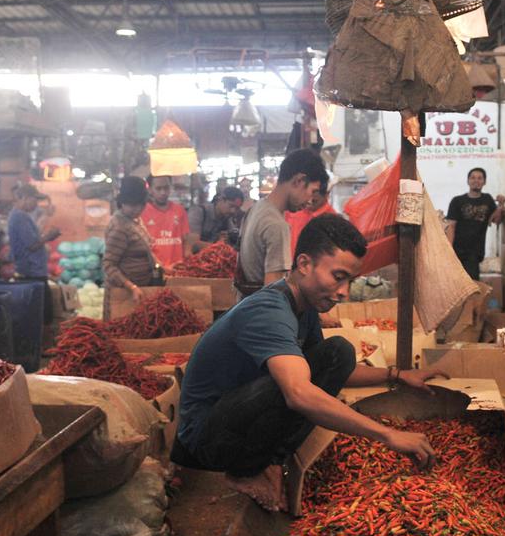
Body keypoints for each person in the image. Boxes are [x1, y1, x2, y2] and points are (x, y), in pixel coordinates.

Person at [173, 214, 446, 510]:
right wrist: (388, 434)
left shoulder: (304, 308)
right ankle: (243, 470)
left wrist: (397, 375)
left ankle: (270, 460)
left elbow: (336, 370)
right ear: (304, 264)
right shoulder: (269, 310)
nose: (344, 292)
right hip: (206, 439)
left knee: (337, 352)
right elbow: (299, 393)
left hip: (235, 417)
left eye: (350, 281)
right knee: (294, 387)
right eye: (338, 277)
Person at [237, 149, 328, 296]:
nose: (310, 201)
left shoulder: (257, 208)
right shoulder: (276, 225)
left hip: (244, 306)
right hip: (259, 314)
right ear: (299, 181)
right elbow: (272, 293)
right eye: (312, 191)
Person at [103, 176, 155, 320]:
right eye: (132, 205)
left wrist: (162, 266)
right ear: (122, 203)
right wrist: (130, 287)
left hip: (139, 290)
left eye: (140, 205)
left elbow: (146, 250)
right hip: (123, 294)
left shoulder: (135, 220)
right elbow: (108, 265)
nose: (137, 209)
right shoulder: (120, 227)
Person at [445, 167, 505, 280]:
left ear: (484, 182)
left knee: (472, 284)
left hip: (475, 251)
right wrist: (449, 250)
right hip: (457, 250)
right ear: (468, 181)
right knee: (455, 284)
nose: (476, 180)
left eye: (479, 178)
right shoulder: (457, 201)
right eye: (472, 178)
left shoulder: (487, 200)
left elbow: (496, 221)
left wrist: (501, 205)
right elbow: (451, 226)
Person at [7, 183, 60, 280]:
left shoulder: (20, 215)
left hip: (32, 271)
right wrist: (49, 237)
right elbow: (32, 245)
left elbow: (31, 238)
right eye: (35, 200)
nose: (36, 204)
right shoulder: (20, 217)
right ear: (25, 198)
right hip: (31, 273)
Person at [143, 176, 190, 270]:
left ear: (170, 187)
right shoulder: (143, 212)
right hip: (154, 270)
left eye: (166, 188)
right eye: (158, 188)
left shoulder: (179, 210)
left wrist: (188, 259)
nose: (163, 192)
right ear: (150, 190)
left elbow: (186, 240)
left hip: (178, 269)